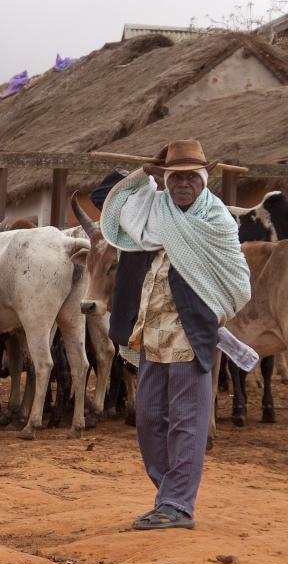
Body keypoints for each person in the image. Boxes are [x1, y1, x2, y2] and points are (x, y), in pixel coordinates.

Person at [96, 140, 250, 530]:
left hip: (190, 334)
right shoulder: (152, 213)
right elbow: (105, 197)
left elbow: (237, 283)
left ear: (203, 180)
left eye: (191, 177)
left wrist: (210, 313)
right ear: (166, 180)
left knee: (186, 420)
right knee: (148, 419)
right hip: (150, 335)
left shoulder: (217, 221)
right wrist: (145, 173)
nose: (184, 184)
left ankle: (178, 504)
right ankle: (169, 495)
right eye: (176, 177)